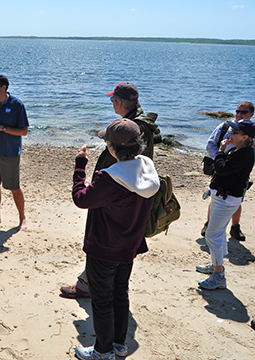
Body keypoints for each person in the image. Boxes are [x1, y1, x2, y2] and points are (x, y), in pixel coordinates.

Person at [61, 81, 160, 299]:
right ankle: (95, 286)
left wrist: (84, 170)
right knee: (118, 265)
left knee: (106, 250)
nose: (110, 102)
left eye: (112, 99)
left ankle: (88, 286)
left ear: (120, 102)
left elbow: (82, 197)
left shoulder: (134, 128)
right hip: (123, 195)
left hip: (116, 196)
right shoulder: (133, 125)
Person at [73, 119, 159, 360]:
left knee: (102, 301)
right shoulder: (147, 168)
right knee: (120, 294)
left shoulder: (110, 178)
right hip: (129, 245)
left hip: (104, 247)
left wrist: (80, 166)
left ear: (112, 148)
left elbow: (81, 199)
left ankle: (102, 351)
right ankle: (119, 344)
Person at [196, 120, 255, 290]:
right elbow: (222, 172)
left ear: (244, 137)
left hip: (227, 199)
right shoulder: (240, 150)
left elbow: (221, 169)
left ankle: (219, 275)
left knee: (212, 235)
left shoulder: (245, 154)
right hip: (221, 195)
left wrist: (221, 151)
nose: (230, 133)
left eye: (235, 132)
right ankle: (215, 263)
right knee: (218, 233)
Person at [201, 101, 254, 241]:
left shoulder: (251, 133)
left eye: (243, 112)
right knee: (215, 196)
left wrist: (227, 161)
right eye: (237, 111)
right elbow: (211, 144)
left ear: (251, 114)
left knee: (237, 199)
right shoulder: (225, 126)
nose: (239, 114)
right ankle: (209, 224)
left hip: (238, 172)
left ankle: (235, 227)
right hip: (220, 168)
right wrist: (219, 160)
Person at [0, 74, 29, 230]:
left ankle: (22, 219)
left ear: (4, 87)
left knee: (14, 188)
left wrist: (2, 128)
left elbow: (24, 131)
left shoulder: (17, 105)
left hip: (9, 154)